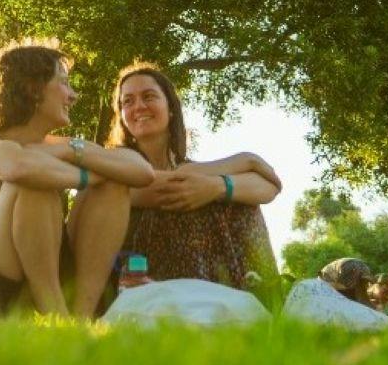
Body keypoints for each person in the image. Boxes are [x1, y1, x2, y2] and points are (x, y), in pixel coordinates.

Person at [0, 39, 154, 317]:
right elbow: (17, 168)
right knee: (35, 181)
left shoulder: (60, 145)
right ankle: (57, 319)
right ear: (33, 89)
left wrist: (72, 150)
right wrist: (91, 176)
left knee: (113, 185)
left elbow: (141, 170)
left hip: (45, 275)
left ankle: (81, 321)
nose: (73, 95)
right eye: (64, 82)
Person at [107, 63, 280, 287]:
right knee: (188, 205)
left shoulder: (197, 174)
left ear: (170, 108)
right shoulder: (115, 161)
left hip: (204, 266)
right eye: (128, 101)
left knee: (239, 201)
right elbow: (165, 183)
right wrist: (246, 160)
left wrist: (218, 187)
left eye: (148, 96)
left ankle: (256, 292)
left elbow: (267, 187)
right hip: (138, 268)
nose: (138, 106)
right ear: (122, 115)